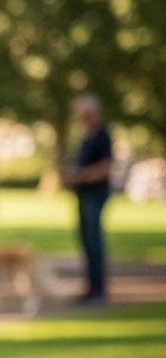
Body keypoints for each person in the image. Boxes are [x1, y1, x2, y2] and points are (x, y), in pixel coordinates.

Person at [62, 94, 112, 303]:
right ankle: (91, 287)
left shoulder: (102, 135)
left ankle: (98, 289)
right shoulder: (84, 135)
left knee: (93, 240)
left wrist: (80, 175)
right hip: (83, 194)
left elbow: (105, 167)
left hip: (95, 194)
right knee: (86, 239)